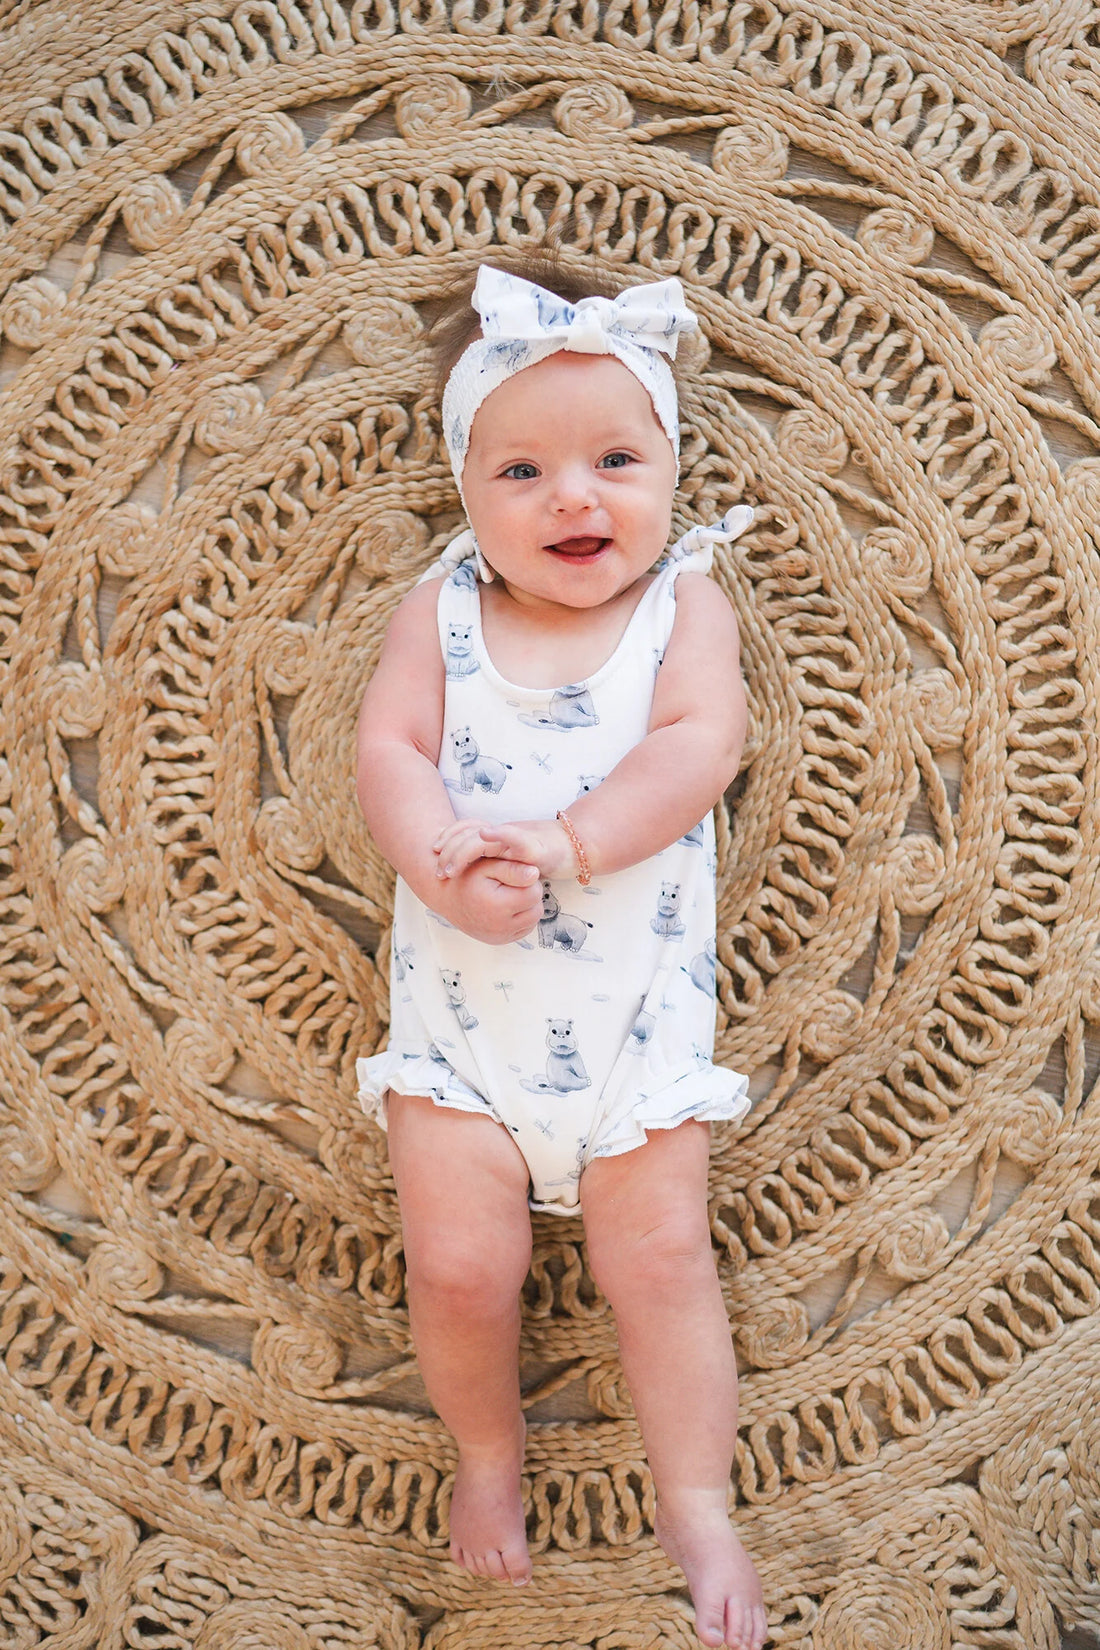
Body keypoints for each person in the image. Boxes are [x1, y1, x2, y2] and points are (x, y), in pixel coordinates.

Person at [355, 253, 767, 1650]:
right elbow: (389, 753)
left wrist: (573, 843)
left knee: (661, 1259)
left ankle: (697, 1495)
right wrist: (443, 861)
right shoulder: (444, 616)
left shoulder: (681, 611)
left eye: (612, 458)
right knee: (457, 1269)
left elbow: (699, 747)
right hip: (461, 1039)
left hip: (634, 1033)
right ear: (465, 491)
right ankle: (485, 1448)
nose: (574, 497)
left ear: (668, 471)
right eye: (521, 471)